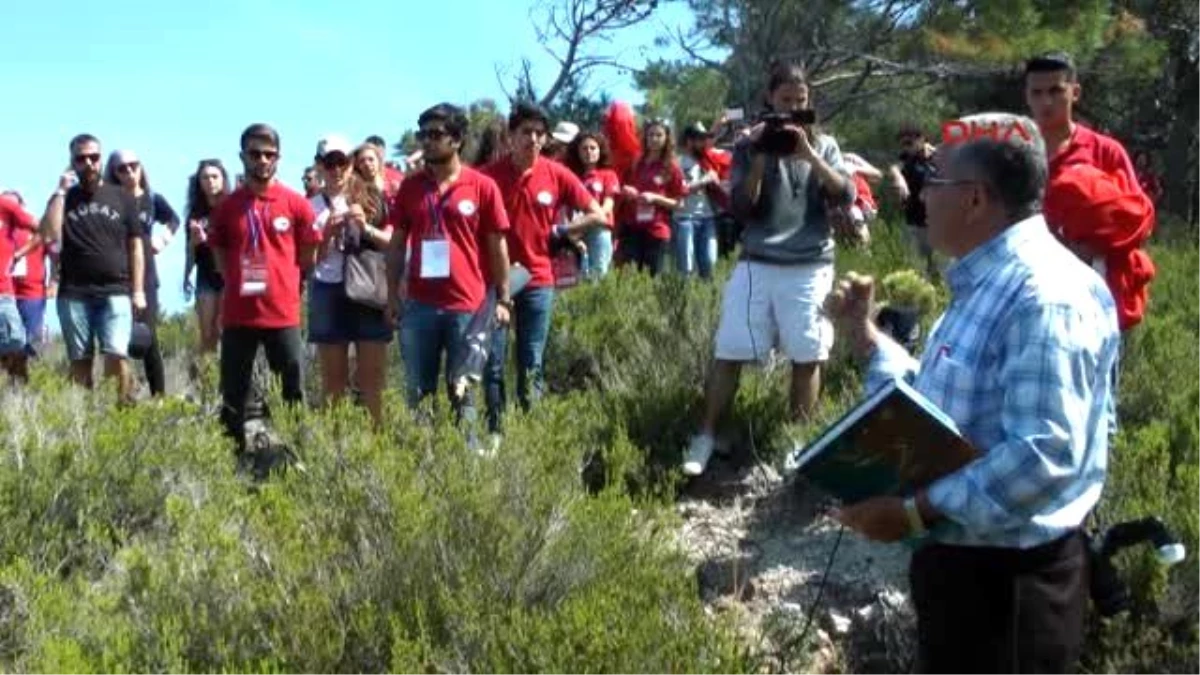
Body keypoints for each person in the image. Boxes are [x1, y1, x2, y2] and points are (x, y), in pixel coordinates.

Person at [827, 112, 1119, 675]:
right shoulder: (990, 280)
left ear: (975, 199)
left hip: (1009, 592)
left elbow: (1043, 456)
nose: (922, 194)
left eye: (933, 182)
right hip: (965, 576)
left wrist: (912, 515)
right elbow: (940, 402)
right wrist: (864, 337)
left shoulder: (1044, 295)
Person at [683, 62, 854, 476]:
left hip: (810, 263)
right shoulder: (748, 145)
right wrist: (760, 158)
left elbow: (845, 194)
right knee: (730, 350)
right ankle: (705, 435)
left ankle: (796, 443)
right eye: (785, 102)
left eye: (800, 102)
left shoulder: (825, 145)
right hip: (758, 261)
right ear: (769, 100)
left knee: (807, 353)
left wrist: (808, 154)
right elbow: (741, 208)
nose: (793, 110)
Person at [480, 101, 607, 437]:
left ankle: (530, 434)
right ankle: (495, 433)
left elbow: (598, 214)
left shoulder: (556, 173)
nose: (533, 140)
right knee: (493, 362)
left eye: (539, 133)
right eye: (526, 132)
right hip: (496, 281)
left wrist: (564, 232)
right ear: (511, 136)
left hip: (538, 280)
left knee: (531, 361)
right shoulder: (489, 177)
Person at [386, 103, 511, 438]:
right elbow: (396, 245)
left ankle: (465, 473)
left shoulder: (483, 186)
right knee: (418, 395)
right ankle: (423, 472)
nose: (427, 141)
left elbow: (497, 246)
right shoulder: (410, 188)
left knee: (464, 394)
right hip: (418, 307)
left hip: (467, 308)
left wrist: (503, 297)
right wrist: (391, 296)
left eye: (435, 134)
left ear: (456, 140)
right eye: (422, 134)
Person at [1025, 51, 1155, 331]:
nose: (1045, 101)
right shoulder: (1015, 152)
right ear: (1027, 96)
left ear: (1075, 92)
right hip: (1028, 293)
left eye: (1055, 91)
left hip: (1095, 299)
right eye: (1036, 92)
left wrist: (1080, 250)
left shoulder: (1105, 151)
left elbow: (1139, 222)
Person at [207, 123, 319, 441]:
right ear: (242, 156)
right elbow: (218, 253)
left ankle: (298, 454)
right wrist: (235, 280)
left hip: (282, 312)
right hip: (239, 313)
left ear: (279, 158)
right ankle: (232, 460)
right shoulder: (228, 207)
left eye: (269, 154)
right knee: (233, 393)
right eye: (255, 153)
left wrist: (287, 280)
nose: (263, 160)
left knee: (292, 389)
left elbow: (308, 254)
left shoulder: (296, 204)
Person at [38, 134, 146, 402]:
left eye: (94, 157)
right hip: (74, 293)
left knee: (116, 356)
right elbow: (49, 234)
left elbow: (136, 247)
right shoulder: (65, 198)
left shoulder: (121, 196)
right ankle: (84, 421)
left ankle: (121, 418)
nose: (88, 163)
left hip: (115, 290)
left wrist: (139, 290)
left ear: (101, 159)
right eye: (81, 158)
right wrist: (60, 190)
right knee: (80, 362)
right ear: (71, 162)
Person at [308, 134, 394, 427]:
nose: (336, 169)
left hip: (368, 289)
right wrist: (326, 237)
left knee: (373, 380)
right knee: (333, 382)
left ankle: (377, 450)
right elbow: (306, 262)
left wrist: (365, 227)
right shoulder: (310, 207)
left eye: (342, 161)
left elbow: (393, 243)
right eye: (329, 162)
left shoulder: (371, 196)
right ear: (319, 165)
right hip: (328, 290)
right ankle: (336, 452)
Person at [104, 149, 181, 398]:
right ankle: (123, 395)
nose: (129, 171)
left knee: (147, 338)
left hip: (146, 278)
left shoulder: (151, 198)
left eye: (133, 165)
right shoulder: (108, 201)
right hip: (115, 277)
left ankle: (159, 397)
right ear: (113, 173)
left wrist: (162, 241)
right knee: (115, 340)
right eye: (122, 168)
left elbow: (174, 219)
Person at [617, 119, 685, 276]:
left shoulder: (671, 167)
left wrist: (655, 198)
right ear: (645, 138)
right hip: (632, 229)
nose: (654, 139)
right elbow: (623, 188)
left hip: (656, 230)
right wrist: (627, 192)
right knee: (630, 278)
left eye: (659, 135)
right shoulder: (636, 163)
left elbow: (680, 204)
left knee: (652, 277)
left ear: (666, 138)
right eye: (651, 135)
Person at [184, 159, 230, 355]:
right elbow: (190, 252)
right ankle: (206, 380)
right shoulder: (195, 213)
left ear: (222, 179)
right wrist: (186, 274)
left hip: (229, 275)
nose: (210, 181)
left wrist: (209, 239)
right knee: (207, 333)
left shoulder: (231, 208)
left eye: (214, 177)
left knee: (226, 329)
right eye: (205, 177)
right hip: (205, 276)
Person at [1, 191, 54, 360]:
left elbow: (54, 255)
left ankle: (28, 380)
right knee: (9, 342)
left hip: (31, 294)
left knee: (27, 342)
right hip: (9, 291)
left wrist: (53, 282)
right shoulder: (7, 232)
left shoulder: (29, 232)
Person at [565, 131, 621, 278]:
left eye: (593, 148)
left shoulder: (608, 175)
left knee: (599, 273)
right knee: (576, 276)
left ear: (600, 150)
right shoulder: (571, 176)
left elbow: (608, 205)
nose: (588, 152)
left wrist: (590, 221)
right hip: (575, 233)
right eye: (584, 148)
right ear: (577, 151)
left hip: (599, 230)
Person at [0, 193, 43, 381]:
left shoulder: (5, 206)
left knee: (16, 343)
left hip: (3, 293)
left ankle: (18, 395)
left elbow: (42, 230)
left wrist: (19, 254)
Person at [674, 122, 726, 279]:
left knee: (710, 263)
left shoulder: (709, 161)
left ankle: (709, 301)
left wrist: (717, 183)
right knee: (687, 267)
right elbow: (678, 190)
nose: (704, 143)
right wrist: (703, 181)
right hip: (684, 218)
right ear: (690, 141)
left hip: (708, 217)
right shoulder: (677, 163)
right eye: (700, 139)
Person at [888, 125, 938, 279]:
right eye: (903, 144)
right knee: (920, 269)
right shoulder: (906, 161)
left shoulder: (938, 157)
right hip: (915, 222)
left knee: (941, 267)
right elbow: (894, 168)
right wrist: (898, 178)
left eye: (909, 143)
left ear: (922, 140)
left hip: (938, 221)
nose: (906, 148)